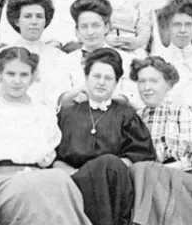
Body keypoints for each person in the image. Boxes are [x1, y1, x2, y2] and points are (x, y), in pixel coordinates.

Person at [0, 47, 94, 225]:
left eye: (24, 75)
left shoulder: (44, 113)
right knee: (37, 188)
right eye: (10, 74)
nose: (17, 81)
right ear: (0, 75)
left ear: (33, 77)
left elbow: (47, 158)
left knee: (60, 180)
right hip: (2, 183)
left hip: (40, 177)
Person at [55, 48, 156, 225]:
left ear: (117, 83)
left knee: (108, 162)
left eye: (108, 78)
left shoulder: (126, 114)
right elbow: (54, 157)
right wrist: (84, 174)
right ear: (86, 79)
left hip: (113, 184)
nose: (101, 82)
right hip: (74, 180)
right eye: (96, 76)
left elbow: (141, 153)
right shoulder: (68, 114)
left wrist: (102, 171)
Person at [128, 55, 192, 225]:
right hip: (147, 180)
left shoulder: (182, 111)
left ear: (168, 84)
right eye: (141, 82)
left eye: (153, 81)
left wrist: (160, 170)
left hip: (186, 176)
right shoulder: (135, 117)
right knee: (142, 170)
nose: (147, 87)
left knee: (147, 170)